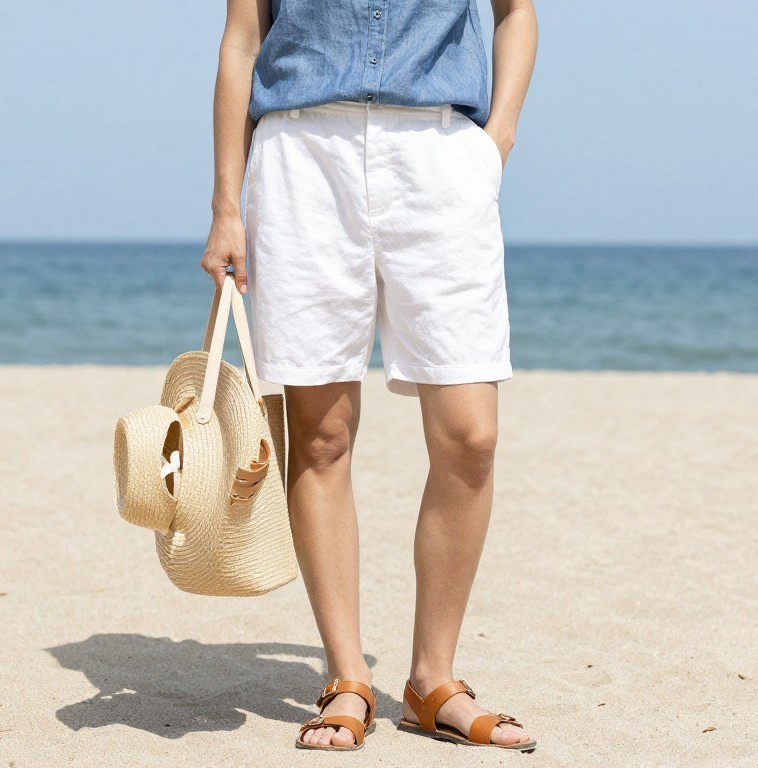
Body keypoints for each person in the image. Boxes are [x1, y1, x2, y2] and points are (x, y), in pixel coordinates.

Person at [201, 0, 538, 753]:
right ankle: (346, 675)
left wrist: (497, 142)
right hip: (301, 154)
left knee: (471, 437)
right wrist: (228, 204)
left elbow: (517, 12)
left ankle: (431, 680)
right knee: (321, 437)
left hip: (441, 154)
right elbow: (243, 39)